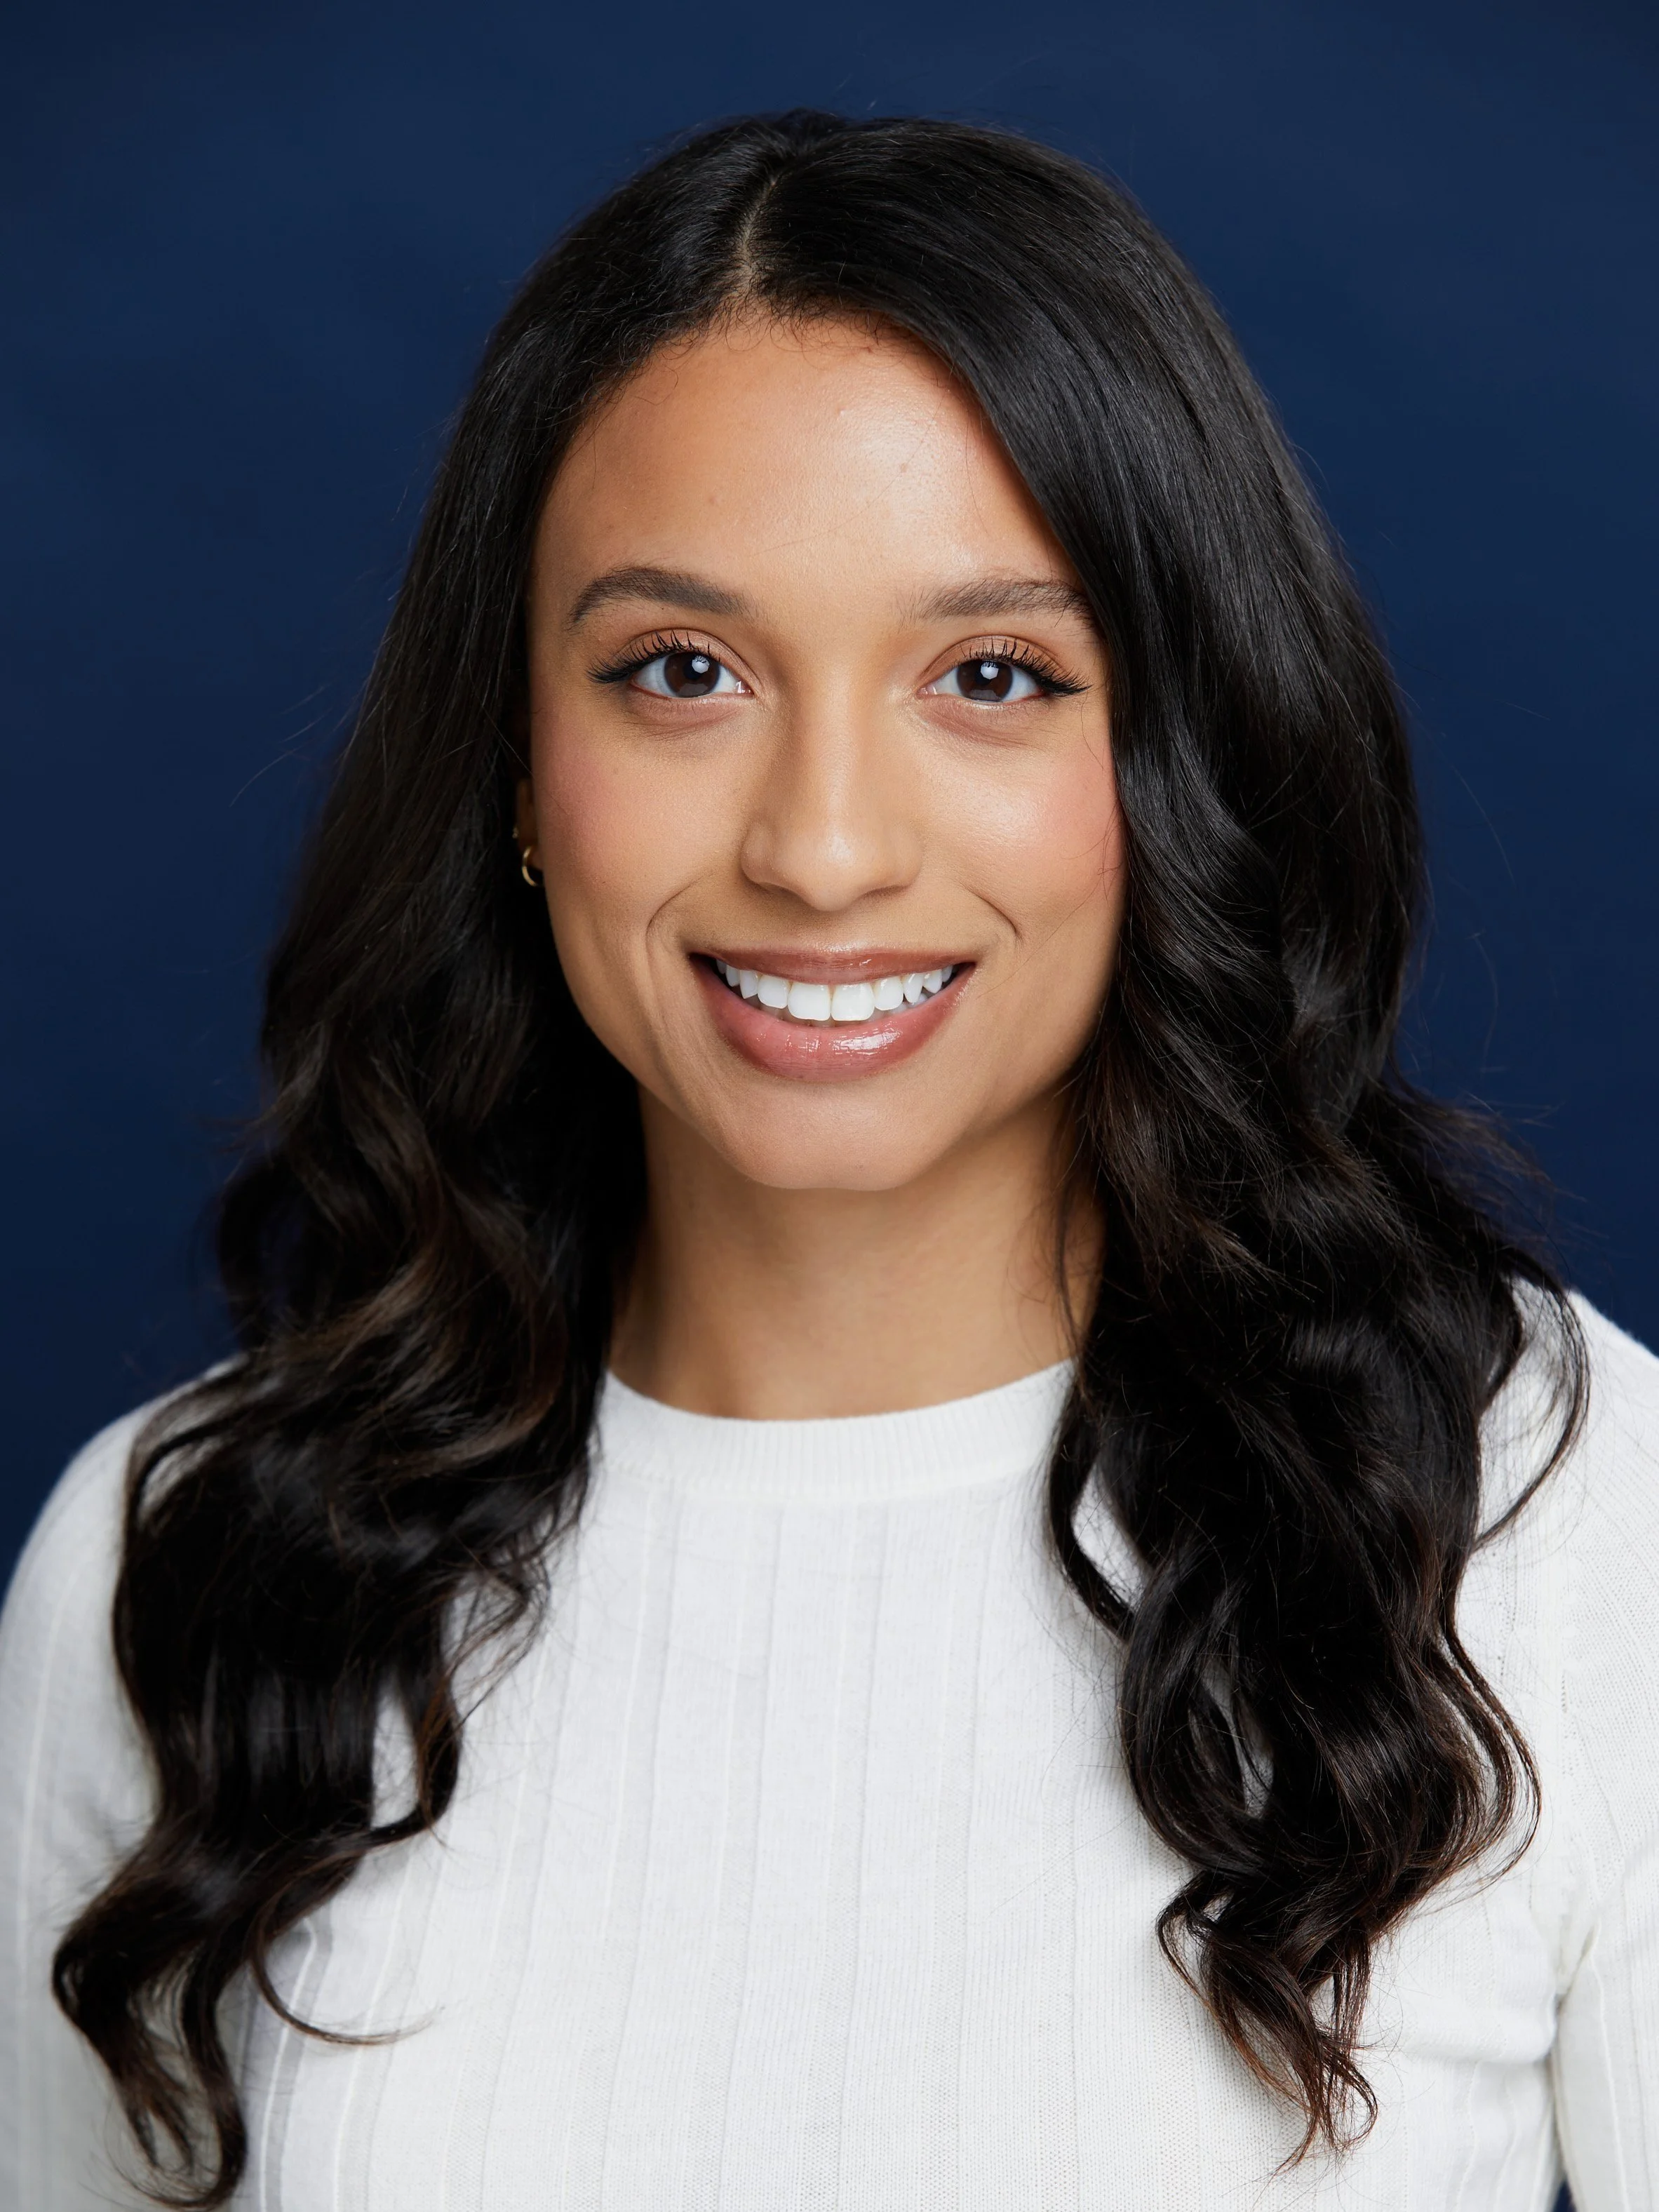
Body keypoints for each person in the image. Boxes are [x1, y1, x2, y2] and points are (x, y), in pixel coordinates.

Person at [1, 109, 1654, 2212]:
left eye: (992, 676)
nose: (823, 847)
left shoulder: (1556, 1522)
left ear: (1172, 759)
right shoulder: (185, 1561)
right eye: (678, 673)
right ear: (521, 763)